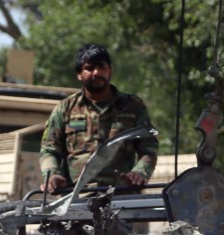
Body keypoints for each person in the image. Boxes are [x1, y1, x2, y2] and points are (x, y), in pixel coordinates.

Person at [39, 43, 159, 193]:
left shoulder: (133, 106)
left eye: (102, 67)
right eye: (89, 68)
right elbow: (49, 149)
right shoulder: (65, 109)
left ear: (110, 70)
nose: (97, 72)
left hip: (121, 197)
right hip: (75, 198)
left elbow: (149, 147)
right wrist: (52, 175)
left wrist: (140, 172)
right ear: (79, 74)